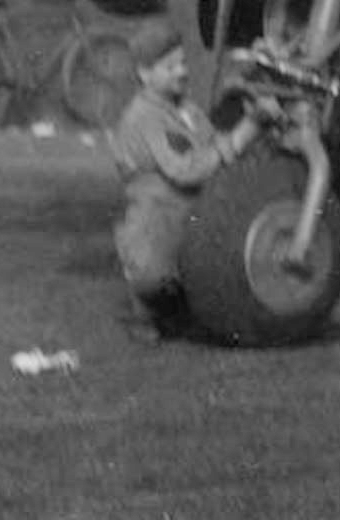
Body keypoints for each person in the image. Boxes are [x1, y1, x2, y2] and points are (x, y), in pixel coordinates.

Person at [106, 18, 264, 344]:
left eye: (182, 62)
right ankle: (148, 306)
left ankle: (168, 305)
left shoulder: (185, 110)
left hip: (184, 225)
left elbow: (211, 142)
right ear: (144, 74)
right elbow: (187, 170)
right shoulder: (146, 116)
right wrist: (244, 133)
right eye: (169, 66)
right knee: (160, 285)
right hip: (158, 232)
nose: (181, 71)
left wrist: (238, 113)